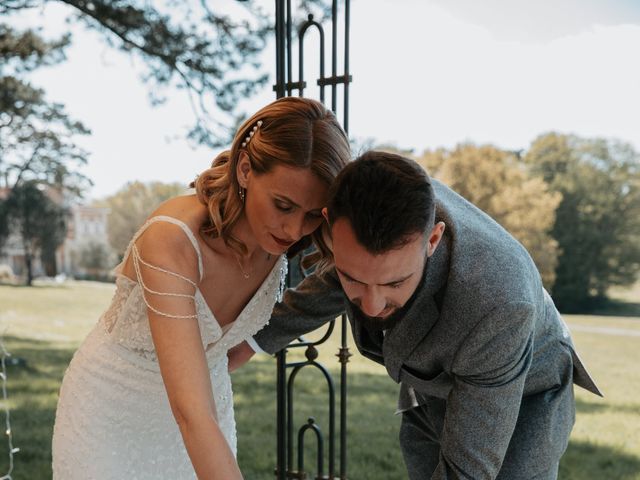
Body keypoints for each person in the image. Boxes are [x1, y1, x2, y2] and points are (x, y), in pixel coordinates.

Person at [230, 151, 602, 480]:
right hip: (429, 384)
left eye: (395, 282)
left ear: (433, 240)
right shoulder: (372, 203)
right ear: (329, 225)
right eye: (353, 278)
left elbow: (468, 471)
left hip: (524, 397)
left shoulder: (499, 301)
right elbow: (333, 281)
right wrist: (249, 341)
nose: (372, 306)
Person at [51, 96, 351, 479]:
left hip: (208, 409)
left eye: (311, 215)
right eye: (283, 205)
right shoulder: (171, 240)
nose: (294, 231)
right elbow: (189, 412)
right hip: (113, 412)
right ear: (245, 169)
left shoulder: (282, 238)